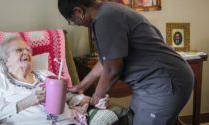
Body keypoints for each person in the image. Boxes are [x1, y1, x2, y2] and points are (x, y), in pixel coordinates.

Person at [58, 0, 194, 125]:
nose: (76, 24)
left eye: (71, 20)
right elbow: (106, 59)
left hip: (164, 81)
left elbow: (112, 70)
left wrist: (96, 98)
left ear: (78, 12)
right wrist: (81, 86)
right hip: (153, 82)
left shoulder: (105, 19)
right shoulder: (107, 11)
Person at [0, 36, 120, 125]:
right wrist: (28, 100)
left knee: (108, 116)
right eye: (19, 50)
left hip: (67, 122)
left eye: (28, 50)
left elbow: (68, 97)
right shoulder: (1, 80)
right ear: (6, 60)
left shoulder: (44, 74)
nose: (26, 53)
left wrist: (93, 101)